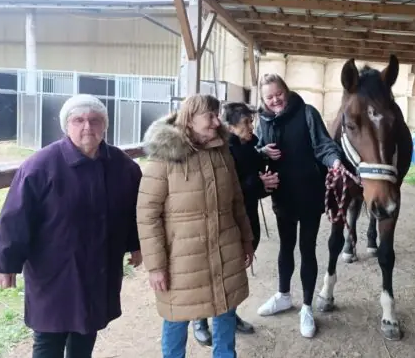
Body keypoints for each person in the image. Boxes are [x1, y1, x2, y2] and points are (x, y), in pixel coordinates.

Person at [0, 94, 143, 358]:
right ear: (66, 126)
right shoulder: (40, 166)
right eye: (78, 120)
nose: (87, 127)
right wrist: (5, 263)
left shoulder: (122, 166)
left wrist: (135, 244)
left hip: (99, 266)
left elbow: (132, 211)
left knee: (87, 330)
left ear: (105, 125)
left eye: (95, 120)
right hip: (53, 269)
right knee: (49, 337)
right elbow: (15, 216)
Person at [136, 94, 255, 358]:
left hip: (224, 249)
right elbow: (147, 215)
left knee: (225, 309)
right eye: (209, 116)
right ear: (190, 119)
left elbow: (237, 200)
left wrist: (246, 241)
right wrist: (155, 266)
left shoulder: (222, 151)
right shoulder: (164, 157)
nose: (217, 122)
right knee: (176, 315)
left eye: (217, 115)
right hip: (182, 259)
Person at [255, 73, 343, 338]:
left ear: (287, 90)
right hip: (283, 195)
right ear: (263, 100)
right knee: (285, 246)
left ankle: (306, 307)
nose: (275, 100)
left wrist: (335, 162)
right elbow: (254, 151)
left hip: (310, 193)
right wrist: (262, 153)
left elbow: (324, 146)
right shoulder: (263, 120)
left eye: (278, 94)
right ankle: (283, 296)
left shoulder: (307, 113)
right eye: (269, 97)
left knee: (307, 248)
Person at [190, 102, 280, 346]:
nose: (251, 127)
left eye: (251, 122)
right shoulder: (222, 151)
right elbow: (226, 190)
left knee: (234, 274)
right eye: (245, 123)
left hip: (247, 218)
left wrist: (266, 182)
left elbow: (253, 182)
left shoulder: (251, 145)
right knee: (212, 271)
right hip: (225, 222)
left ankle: (230, 314)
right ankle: (199, 319)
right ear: (229, 127)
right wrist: (258, 183)